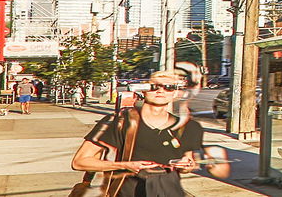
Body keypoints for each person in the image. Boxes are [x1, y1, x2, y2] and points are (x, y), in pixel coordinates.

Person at [71, 70, 230, 197]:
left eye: (169, 87)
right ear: (144, 91)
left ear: (175, 94)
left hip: (170, 191)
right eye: (154, 86)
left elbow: (188, 164)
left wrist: (187, 165)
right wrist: (124, 165)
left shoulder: (190, 127)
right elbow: (80, 162)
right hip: (127, 192)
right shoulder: (118, 122)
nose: (161, 91)